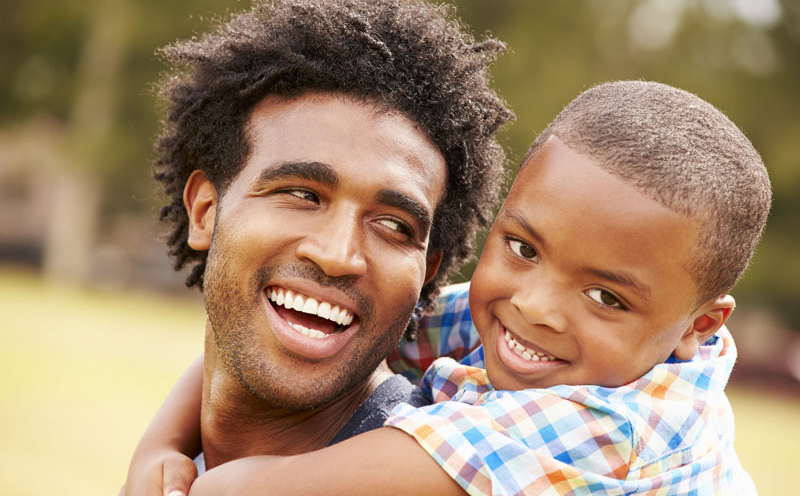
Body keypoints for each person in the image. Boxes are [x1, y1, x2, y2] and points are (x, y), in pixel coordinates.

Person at [131, 81, 768, 495]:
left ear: (699, 326)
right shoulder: (503, 320)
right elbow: (335, 322)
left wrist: (219, 484)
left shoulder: (624, 428)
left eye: (607, 298)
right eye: (523, 249)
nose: (536, 307)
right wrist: (163, 442)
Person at [122, 0, 513, 495]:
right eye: (303, 195)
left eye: (394, 225)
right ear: (204, 212)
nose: (337, 254)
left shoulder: (449, 472)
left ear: (428, 274)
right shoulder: (175, 469)